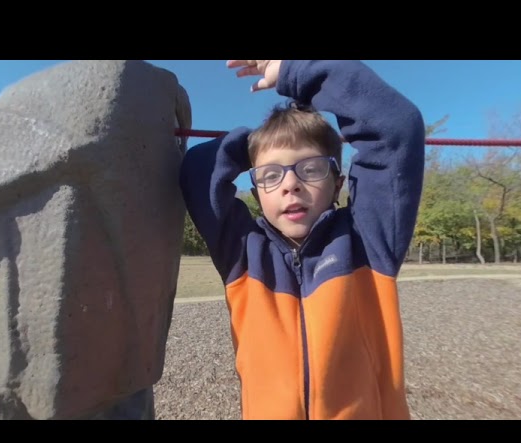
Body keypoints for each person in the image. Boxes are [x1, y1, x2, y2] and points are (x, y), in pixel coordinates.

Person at [179, 60, 425, 420]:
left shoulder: (368, 240)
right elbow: (198, 174)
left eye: (310, 169)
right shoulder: (243, 253)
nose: (290, 184)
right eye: (271, 175)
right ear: (256, 192)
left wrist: (298, 70)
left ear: (338, 183)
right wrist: (260, 140)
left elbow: (396, 129)